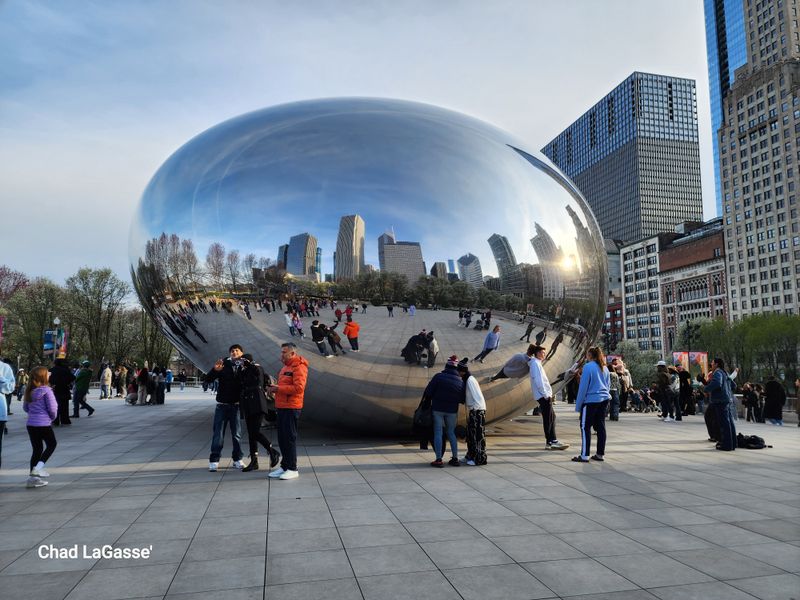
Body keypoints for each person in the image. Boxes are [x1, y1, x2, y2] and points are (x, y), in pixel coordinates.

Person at [266, 342, 308, 480]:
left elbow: (299, 388)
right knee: (282, 438)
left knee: (289, 438)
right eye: (281, 352)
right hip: (282, 406)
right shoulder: (286, 367)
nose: (281, 354)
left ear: (292, 353)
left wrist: (278, 389)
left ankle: (292, 468)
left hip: (292, 407)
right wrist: (274, 388)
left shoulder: (299, 367)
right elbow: (285, 386)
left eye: (284, 352)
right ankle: (284, 466)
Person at [205, 344, 246, 472]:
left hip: (236, 406)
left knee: (237, 435)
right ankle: (214, 460)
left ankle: (237, 459)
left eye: (237, 351)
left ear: (241, 353)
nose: (234, 352)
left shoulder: (245, 365)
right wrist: (215, 370)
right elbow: (207, 379)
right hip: (222, 406)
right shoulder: (223, 365)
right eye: (232, 351)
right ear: (230, 354)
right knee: (218, 434)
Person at [239, 354, 280, 472]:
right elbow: (241, 381)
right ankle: (254, 461)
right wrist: (242, 368)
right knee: (252, 434)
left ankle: (272, 451)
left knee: (255, 432)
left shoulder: (257, 368)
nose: (241, 362)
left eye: (243, 360)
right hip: (248, 405)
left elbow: (258, 379)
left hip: (258, 404)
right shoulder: (244, 370)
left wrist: (250, 365)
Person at [423, 356, 465, 467]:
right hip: (452, 411)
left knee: (438, 432)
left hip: (438, 409)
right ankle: (455, 458)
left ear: (446, 366)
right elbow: (462, 399)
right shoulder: (460, 381)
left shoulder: (438, 377)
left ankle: (439, 459)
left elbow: (428, 392)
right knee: (451, 433)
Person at [572, 347, 611, 462]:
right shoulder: (604, 368)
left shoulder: (588, 367)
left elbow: (583, 388)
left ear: (590, 355)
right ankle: (600, 454)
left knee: (585, 427)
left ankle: (584, 455)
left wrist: (578, 406)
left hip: (591, 401)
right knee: (601, 427)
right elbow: (607, 385)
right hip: (604, 400)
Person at [23, 366, 58, 488]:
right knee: (52, 445)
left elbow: (25, 408)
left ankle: (32, 479)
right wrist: (51, 418)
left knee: (37, 450)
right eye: (48, 373)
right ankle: (37, 468)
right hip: (43, 424)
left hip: (31, 424)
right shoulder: (47, 391)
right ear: (43, 377)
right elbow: (53, 409)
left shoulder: (29, 391)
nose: (49, 375)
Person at [529, 345, 569, 451]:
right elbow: (538, 381)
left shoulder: (536, 363)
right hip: (543, 395)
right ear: (537, 353)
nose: (544, 354)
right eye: (542, 352)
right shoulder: (534, 364)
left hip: (544, 395)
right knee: (548, 418)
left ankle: (551, 441)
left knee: (551, 417)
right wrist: (545, 394)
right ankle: (551, 441)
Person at [457, 361, 487, 465]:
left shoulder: (470, 380)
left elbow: (476, 396)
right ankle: (470, 455)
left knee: (477, 436)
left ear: (462, 372)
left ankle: (479, 459)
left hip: (477, 410)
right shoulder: (467, 379)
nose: (457, 374)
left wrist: (474, 411)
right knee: (470, 436)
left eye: (458, 371)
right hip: (473, 410)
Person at [704, 357, 736, 450]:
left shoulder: (717, 372)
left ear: (717, 364)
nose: (711, 365)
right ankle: (733, 443)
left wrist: (706, 389)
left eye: (712, 363)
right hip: (727, 399)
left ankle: (726, 445)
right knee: (729, 422)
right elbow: (734, 385)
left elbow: (717, 383)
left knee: (724, 423)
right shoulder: (725, 373)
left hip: (720, 400)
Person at [49, 359, 74, 426]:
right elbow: (73, 377)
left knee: (55, 406)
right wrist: (67, 382)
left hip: (55, 390)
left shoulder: (51, 370)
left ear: (54, 363)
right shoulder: (65, 370)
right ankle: (65, 420)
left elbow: (48, 379)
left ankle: (55, 421)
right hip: (64, 389)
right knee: (65, 406)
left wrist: (52, 383)